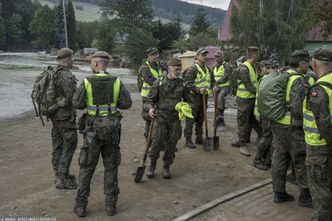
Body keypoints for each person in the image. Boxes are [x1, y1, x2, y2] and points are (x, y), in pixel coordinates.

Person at [73, 51, 132, 217]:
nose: (91, 65)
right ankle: (110, 206)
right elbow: (126, 103)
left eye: (92, 63)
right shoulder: (116, 81)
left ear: (96, 64)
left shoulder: (86, 81)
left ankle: (81, 205)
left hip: (93, 130)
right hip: (112, 131)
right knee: (111, 167)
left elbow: (77, 103)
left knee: (87, 168)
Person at [271, 50, 313, 207]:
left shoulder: (281, 75)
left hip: (278, 123)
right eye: (307, 62)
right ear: (301, 63)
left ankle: (279, 192)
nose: (308, 66)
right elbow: (297, 107)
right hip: (292, 127)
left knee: (279, 157)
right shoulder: (299, 81)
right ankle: (305, 195)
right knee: (301, 159)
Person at [144, 58, 192, 178]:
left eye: (180, 68)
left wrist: (184, 107)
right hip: (160, 117)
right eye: (177, 69)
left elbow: (189, 101)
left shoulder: (182, 84)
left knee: (172, 144)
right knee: (157, 142)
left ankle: (166, 166)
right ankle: (152, 166)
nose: (179, 71)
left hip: (175, 119)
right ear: (169, 68)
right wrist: (150, 108)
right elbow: (149, 100)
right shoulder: (159, 82)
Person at [303, 48, 332, 221]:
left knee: (320, 187)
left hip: (319, 145)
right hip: (325, 144)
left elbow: (323, 124)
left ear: (314, 64)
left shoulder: (318, 89)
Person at [51, 48, 78, 189]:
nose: (73, 60)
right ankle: (63, 178)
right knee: (70, 144)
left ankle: (58, 174)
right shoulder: (66, 76)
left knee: (58, 145)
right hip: (65, 117)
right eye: (72, 58)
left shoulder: (53, 72)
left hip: (55, 115)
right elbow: (73, 98)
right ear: (67, 59)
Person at [231, 46, 262, 157]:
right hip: (244, 99)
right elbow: (249, 87)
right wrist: (261, 93)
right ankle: (242, 145)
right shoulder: (244, 68)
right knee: (243, 121)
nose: (258, 56)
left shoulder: (253, 67)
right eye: (257, 54)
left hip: (251, 98)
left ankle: (260, 137)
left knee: (252, 120)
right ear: (253, 54)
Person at [183, 48, 214, 149]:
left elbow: (212, 81)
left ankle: (199, 137)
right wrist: (198, 90)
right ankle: (188, 140)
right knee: (191, 119)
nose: (205, 57)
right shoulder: (192, 69)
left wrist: (215, 87)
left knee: (201, 119)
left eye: (206, 55)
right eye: (202, 55)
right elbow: (187, 83)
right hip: (193, 98)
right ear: (197, 56)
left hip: (204, 98)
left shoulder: (208, 69)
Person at [253, 59, 277, 170]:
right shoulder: (265, 80)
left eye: (276, 68)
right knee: (266, 137)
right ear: (266, 69)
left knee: (269, 137)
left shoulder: (268, 79)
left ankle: (267, 160)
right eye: (273, 69)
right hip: (266, 113)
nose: (275, 71)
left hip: (268, 113)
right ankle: (257, 159)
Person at [138, 47, 164, 139]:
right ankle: (149, 141)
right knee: (149, 118)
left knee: (160, 118)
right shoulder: (144, 67)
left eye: (157, 54)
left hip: (159, 95)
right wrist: (163, 85)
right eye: (153, 54)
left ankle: (159, 140)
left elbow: (165, 76)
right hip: (148, 96)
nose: (156, 56)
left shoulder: (160, 65)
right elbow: (150, 81)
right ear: (148, 56)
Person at [212, 51, 233, 130]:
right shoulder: (214, 66)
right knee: (216, 103)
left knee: (220, 99)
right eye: (216, 57)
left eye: (218, 57)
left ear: (222, 57)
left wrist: (217, 82)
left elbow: (226, 76)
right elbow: (212, 76)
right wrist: (214, 85)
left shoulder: (227, 66)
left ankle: (220, 117)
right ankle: (217, 120)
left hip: (225, 86)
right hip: (216, 87)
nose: (217, 58)